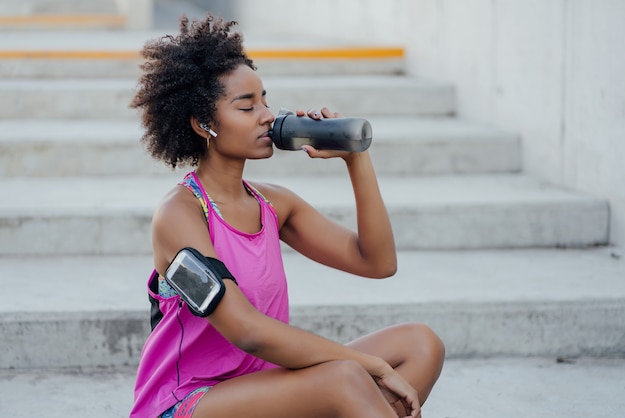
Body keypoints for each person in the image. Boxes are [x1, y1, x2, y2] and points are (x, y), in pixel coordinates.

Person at [129, 13, 444, 418]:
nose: (266, 115)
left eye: (264, 100)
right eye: (247, 107)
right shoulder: (180, 215)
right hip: (188, 402)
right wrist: (371, 365)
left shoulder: (273, 204)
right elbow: (246, 330)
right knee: (345, 378)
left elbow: (378, 262)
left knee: (421, 344)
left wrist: (356, 160)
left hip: (265, 389)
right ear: (204, 124)